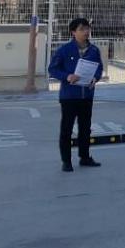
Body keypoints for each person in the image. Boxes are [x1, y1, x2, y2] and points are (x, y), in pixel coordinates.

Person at [47, 18, 104, 172]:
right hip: (69, 97)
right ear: (73, 32)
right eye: (82, 29)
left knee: (85, 129)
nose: (86, 32)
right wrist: (67, 76)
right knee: (67, 129)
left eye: (87, 28)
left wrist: (95, 78)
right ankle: (66, 161)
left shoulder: (94, 50)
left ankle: (85, 157)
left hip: (87, 96)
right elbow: (52, 69)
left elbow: (99, 68)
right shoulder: (64, 50)